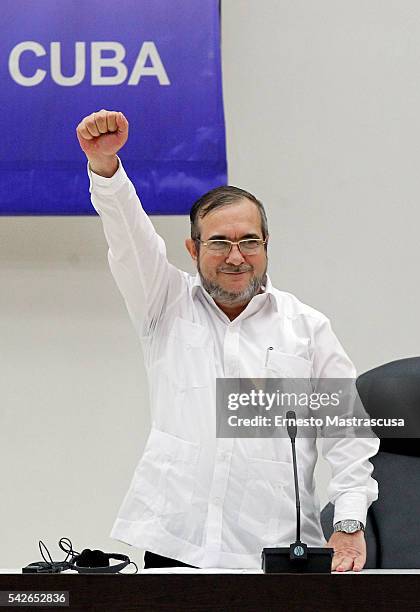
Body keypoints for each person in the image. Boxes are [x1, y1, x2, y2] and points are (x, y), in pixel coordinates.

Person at [76, 109, 379, 571]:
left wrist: (350, 523)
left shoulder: (307, 328)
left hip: (279, 548)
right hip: (177, 544)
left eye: (249, 241)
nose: (236, 257)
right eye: (219, 242)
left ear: (266, 245)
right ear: (193, 249)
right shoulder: (164, 304)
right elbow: (130, 239)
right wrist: (107, 169)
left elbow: (348, 435)